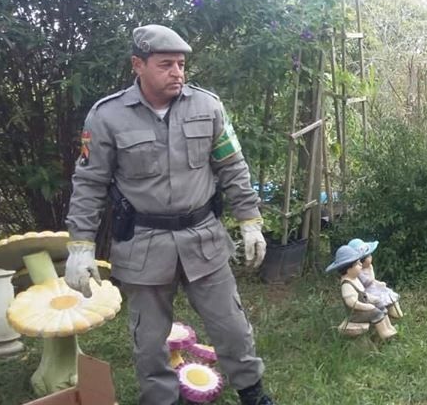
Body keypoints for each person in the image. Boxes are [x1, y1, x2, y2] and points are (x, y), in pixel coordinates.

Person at [63, 24, 276, 405]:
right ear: (137, 65)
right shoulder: (108, 117)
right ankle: (161, 399)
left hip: (203, 238)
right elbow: (90, 183)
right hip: (144, 243)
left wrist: (250, 220)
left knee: (232, 326)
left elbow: (232, 166)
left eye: (181, 64)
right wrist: (80, 245)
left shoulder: (207, 107)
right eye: (166, 64)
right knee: (148, 339)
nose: (177, 72)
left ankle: (253, 392)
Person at [324, 245, 398, 340]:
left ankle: (389, 328)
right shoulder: (347, 284)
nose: (361, 265)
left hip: (363, 308)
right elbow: (352, 302)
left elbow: (364, 295)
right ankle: (384, 333)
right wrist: (366, 306)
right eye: (357, 263)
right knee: (376, 313)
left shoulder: (354, 279)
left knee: (380, 306)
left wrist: (374, 299)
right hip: (356, 314)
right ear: (348, 268)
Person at [346, 238, 404, 319]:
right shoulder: (358, 271)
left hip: (374, 287)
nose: (371, 257)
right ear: (361, 261)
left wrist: (378, 282)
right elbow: (366, 282)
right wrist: (371, 272)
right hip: (368, 291)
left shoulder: (368, 267)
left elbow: (372, 280)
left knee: (389, 294)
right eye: (368, 256)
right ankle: (385, 316)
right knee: (380, 299)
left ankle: (397, 313)